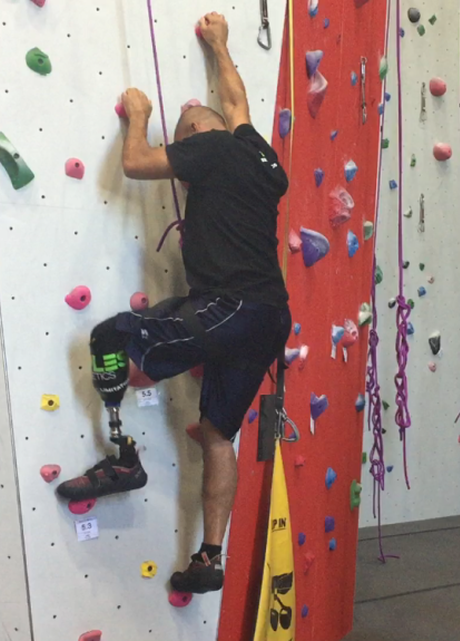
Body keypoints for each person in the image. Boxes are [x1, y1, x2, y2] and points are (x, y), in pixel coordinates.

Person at [56, 12, 291, 596]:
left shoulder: (207, 149)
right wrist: (220, 45)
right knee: (217, 434)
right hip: (270, 317)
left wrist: (137, 117)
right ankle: (210, 556)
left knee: (110, 335)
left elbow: (137, 164)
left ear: (191, 140)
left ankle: (122, 456)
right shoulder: (259, 155)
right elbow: (236, 102)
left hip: (230, 307)